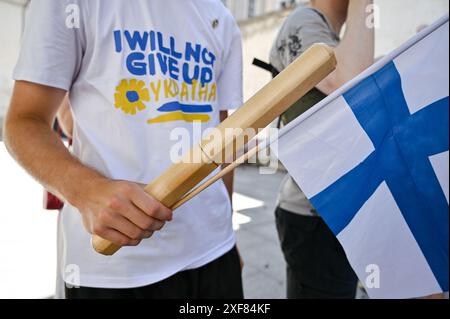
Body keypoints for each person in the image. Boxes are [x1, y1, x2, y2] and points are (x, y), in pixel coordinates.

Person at [4, 0, 243, 299]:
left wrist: (228, 234)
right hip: (116, 267)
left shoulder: (220, 16)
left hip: (215, 254)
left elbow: (222, 140)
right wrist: (87, 191)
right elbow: (24, 121)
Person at [269, 0, 375, 298]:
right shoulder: (305, 20)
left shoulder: (328, 35)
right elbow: (350, 80)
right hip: (315, 217)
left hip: (330, 210)